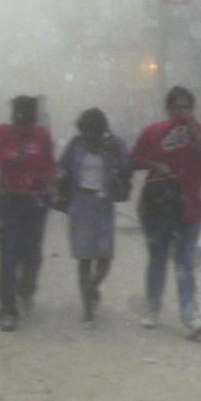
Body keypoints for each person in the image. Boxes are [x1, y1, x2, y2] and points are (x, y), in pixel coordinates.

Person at [130, 85, 201, 340]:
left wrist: (197, 135)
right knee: (157, 258)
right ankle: (151, 305)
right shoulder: (154, 132)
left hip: (189, 208)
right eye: (179, 106)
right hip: (159, 208)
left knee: (184, 263)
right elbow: (134, 158)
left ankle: (190, 316)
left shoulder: (198, 133)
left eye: (188, 107)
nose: (184, 112)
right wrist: (153, 164)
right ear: (169, 107)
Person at [0, 96, 56, 332]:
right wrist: (6, 157)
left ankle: (25, 288)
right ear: (14, 120)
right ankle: (7, 308)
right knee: (8, 255)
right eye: (21, 125)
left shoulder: (42, 135)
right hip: (7, 199)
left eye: (28, 125)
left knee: (32, 253)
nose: (25, 130)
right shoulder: (2, 132)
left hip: (34, 200)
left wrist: (53, 184)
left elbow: (50, 163)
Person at [56, 108, 132, 329]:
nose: (89, 140)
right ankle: (88, 310)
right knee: (84, 258)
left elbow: (128, 170)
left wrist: (118, 154)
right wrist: (58, 178)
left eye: (93, 136)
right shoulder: (76, 144)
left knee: (105, 257)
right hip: (80, 203)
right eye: (86, 135)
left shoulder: (114, 144)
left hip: (103, 203)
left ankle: (92, 287)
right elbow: (62, 166)